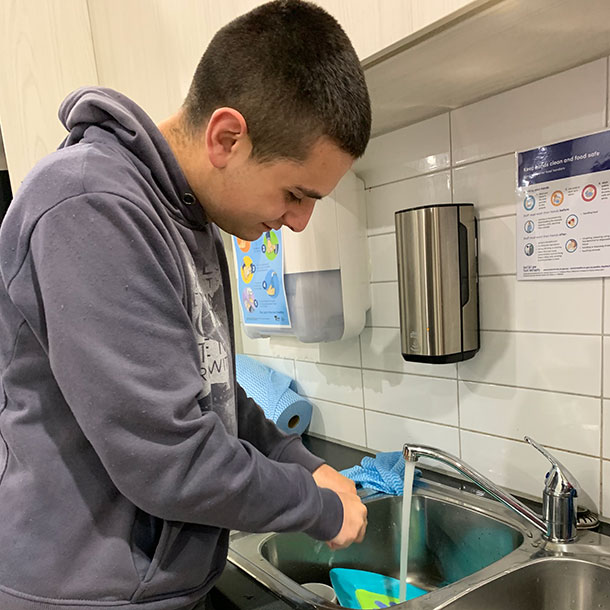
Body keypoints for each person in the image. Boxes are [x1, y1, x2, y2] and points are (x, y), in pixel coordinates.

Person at [0, 1, 371, 609]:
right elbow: (169, 458)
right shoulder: (92, 206)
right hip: (81, 595)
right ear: (227, 137)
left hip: (155, 587)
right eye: (296, 194)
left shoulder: (189, 219)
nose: (301, 223)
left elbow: (214, 389)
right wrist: (317, 507)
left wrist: (302, 463)